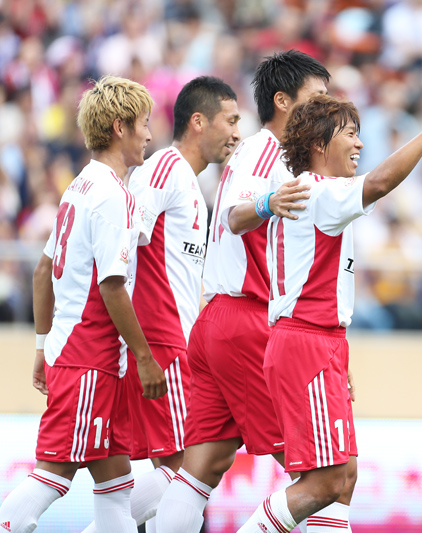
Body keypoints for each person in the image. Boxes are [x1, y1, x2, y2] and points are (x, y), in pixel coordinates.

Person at [236, 88, 422, 533]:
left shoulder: (306, 192)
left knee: (344, 479)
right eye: (350, 134)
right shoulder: (320, 190)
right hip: (307, 342)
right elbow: (380, 183)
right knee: (323, 483)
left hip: (316, 341)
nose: (360, 144)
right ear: (320, 145)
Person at [156, 50, 348, 533]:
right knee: (330, 475)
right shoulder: (267, 151)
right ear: (283, 102)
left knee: (202, 466)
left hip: (221, 322)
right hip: (249, 323)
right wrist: (268, 201)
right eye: (317, 97)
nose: (327, 106)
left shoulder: (281, 157)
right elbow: (236, 215)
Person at [0, 75, 168, 533]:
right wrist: (145, 357)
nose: (150, 135)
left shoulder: (80, 187)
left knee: (117, 485)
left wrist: (41, 345)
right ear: (120, 126)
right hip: (88, 359)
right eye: (145, 123)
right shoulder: (114, 196)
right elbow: (113, 286)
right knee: (53, 476)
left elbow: (41, 271)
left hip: (80, 355)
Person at [80, 76, 242, 533]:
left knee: (188, 473)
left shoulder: (187, 182)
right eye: (230, 121)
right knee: (185, 472)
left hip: (177, 344)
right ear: (198, 121)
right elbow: (127, 245)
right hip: (161, 342)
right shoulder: (165, 169)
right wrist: (137, 347)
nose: (236, 133)